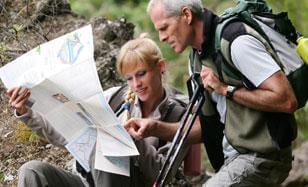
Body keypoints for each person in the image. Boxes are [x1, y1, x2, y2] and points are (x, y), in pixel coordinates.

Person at [124, 0, 298, 186]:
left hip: (262, 158)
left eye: (165, 28)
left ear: (187, 15)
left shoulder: (236, 42)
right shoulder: (196, 59)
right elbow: (203, 129)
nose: (162, 37)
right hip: (232, 160)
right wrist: (153, 127)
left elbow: (287, 100)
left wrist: (225, 89)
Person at [7, 37, 188, 187]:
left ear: (160, 67)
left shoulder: (179, 114)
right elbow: (68, 136)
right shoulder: (115, 98)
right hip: (90, 181)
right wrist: (25, 111)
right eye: (129, 78)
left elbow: (166, 174)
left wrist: (129, 141)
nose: (136, 84)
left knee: (107, 147)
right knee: (32, 171)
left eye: (141, 74)